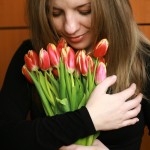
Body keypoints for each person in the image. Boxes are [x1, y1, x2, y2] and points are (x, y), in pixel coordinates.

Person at [0, 0, 149, 150]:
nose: (70, 28)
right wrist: (89, 119)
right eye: (55, 13)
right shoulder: (35, 55)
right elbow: (5, 136)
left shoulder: (143, 58)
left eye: (85, 11)